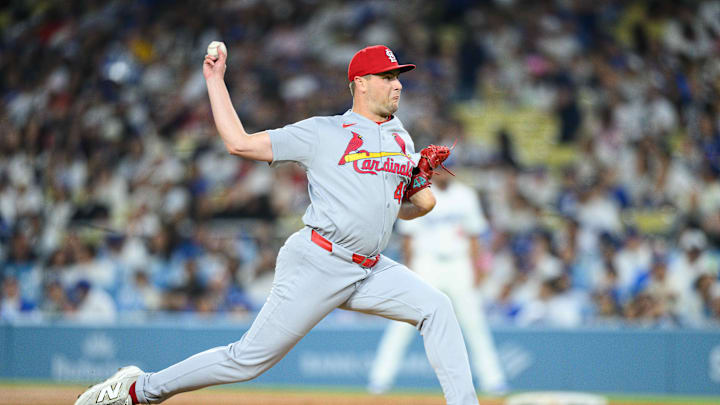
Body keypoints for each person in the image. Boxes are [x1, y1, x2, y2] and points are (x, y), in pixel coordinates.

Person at [75, 44, 480, 405]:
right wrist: (215, 80)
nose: (398, 85)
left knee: (437, 307)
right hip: (319, 262)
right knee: (246, 361)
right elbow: (238, 142)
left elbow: (409, 207)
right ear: (360, 83)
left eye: (398, 77)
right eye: (388, 77)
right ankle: (137, 390)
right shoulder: (323, 132)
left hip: (370, 268)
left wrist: (420, 180)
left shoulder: (400, 138)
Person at [368, 174, 508, 395]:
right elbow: (408, 238)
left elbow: (474, 236)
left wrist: (476, 270)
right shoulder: (419, 193)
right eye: (439, 167)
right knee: (402, 323)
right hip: (427, 263)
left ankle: (493, 380)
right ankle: (380, 379)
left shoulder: (465, 195)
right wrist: (409, 272)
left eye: (448, 166)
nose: (444, 170)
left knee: (474, 323)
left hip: (458, 264)